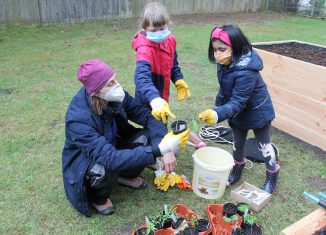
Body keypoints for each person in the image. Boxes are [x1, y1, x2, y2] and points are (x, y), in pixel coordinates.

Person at [62, 59, 190, 216]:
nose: (116, 85)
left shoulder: (115, 95)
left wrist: (164, 146)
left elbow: (146, 116)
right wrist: (159, 149)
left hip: (114, 145)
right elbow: (109, 157)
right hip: (90, 160)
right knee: (102, 169)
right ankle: (99, 198)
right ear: (96, 91)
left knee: (145, 138)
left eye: (115, 78)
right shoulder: (78, 119)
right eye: (110, 83)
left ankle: (122, 176)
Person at [198, 25, 280, 194]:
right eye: (215, 50)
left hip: (258, 112)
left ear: (235, 47)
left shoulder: (246, 71)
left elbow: (238, 101)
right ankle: (237, 171)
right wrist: (218, 107)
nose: (218, 54)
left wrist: (218, 114)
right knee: (237, 144)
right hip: (237, 112)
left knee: (264, 146)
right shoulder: (225, 62)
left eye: (222, 49)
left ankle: (272, 176)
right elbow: (224, 89)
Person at [131, 1, 206, 149]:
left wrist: (178, 79)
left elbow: (173, 63)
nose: (159, 33)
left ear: (168, 24)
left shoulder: (170, 40)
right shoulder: (144, 48)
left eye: (162, 28)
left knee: (161, 121)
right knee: (155, 124)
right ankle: (158, 151)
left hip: (162, 93)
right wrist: (154, 100)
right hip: (148, 96)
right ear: (145, 28)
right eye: (154, 30)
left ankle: (164, 142)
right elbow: (141, 78)